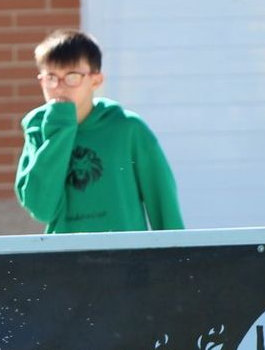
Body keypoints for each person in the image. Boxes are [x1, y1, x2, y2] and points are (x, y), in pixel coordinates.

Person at [14, 29, 184, 233]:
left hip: (126, 257)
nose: (59, 87)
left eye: (72, 76)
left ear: (95, 80)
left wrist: (177, 256)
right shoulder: (38, 129)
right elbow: (42, 209)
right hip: (65, 257)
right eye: (51, 77)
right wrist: (60, 129)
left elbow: (162, 199)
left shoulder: (128, 128)